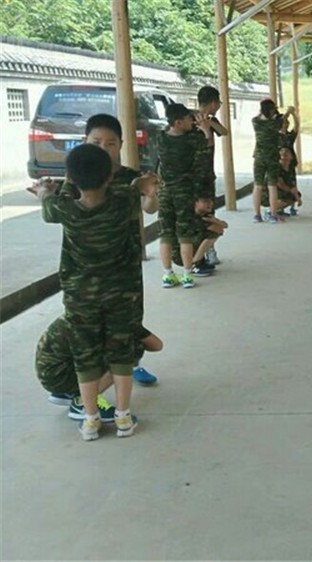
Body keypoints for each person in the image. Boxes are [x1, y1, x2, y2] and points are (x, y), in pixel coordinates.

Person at [36, 144, 153, 440]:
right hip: (119, 294)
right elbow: (133, 191)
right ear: (108, 177)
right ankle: (123, 418)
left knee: (85, 356)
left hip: (80, 298)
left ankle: (90, 420)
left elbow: (48, 205)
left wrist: (45, 189)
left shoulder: (64, 208)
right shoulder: (123, 201)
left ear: (72, 179)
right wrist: (141, 184)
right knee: (121, 353)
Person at [59, 114, 161, 385]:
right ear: (85, 142)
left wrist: (151, 195)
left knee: (128, 324)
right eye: (96, 142)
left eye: (111, 143)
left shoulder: (130, 177)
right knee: (92, 333)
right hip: (84, 272)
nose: (103, 148)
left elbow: (149, 209)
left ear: (121, 145)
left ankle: (130, 366)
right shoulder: (74, 180)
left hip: (124, 267)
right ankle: (96, 389)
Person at [37, 315, 163, 422]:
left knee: (122, 346)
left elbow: (157, 345)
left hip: (53, 373)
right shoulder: (93, 323)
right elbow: (156, 345)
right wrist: (132, 327)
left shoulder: (82, 313)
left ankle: (68, 393)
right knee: (127, 352)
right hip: (60, 376)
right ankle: (82, 403)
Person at [159, 103, 212, 289]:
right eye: (189, 118)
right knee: (185, 233)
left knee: (165, 233)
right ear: (179, 122)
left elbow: (167, 130)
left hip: (164, 192)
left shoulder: (161, 138)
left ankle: (167, 274)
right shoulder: (193, 140)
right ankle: (187, 274)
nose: (192, 121)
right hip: (185, 191)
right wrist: (205, 130)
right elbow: (204, 159)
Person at [195, 86, 229, 266]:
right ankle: (198, 255)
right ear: (214, 102)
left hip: (208, 173)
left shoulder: (210, 119)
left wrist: (209, 122)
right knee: (200, 213)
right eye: (219, 104)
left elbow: (224, 132)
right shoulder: (190, 119)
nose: (219, 107)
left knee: (210, 211)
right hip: (196, 174)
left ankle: (209, 249)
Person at [251, 98, 284, 224]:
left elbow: (260, 116)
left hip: (259, 157)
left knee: (257, 186)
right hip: (272, 158)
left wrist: (263, 111)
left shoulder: (255, 122)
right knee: (272, 186)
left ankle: (257, 215)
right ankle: (273, 214)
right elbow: (280, 121)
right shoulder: (276, 123)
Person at [279, 105, 300, 169]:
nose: (285, 125)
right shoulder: (275, 135)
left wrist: (293, 114)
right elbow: (281, 120)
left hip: (289, 161)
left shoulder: (290, 135)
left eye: (287, 123)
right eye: (284, 123)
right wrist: (288, 112)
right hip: (279, 161)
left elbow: (297, 125)